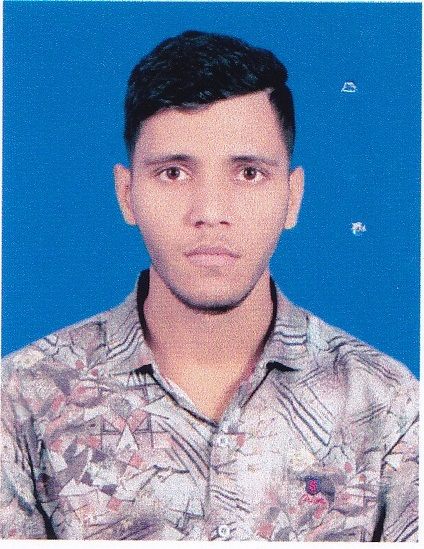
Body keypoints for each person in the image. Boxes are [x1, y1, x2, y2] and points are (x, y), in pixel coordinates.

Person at [1, 30, 418, 542]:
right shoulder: (23, 398)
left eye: (249, 173)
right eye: (174, 173)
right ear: (127, 194)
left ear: (293, 197)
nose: (211, 213)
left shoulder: (389, 405)